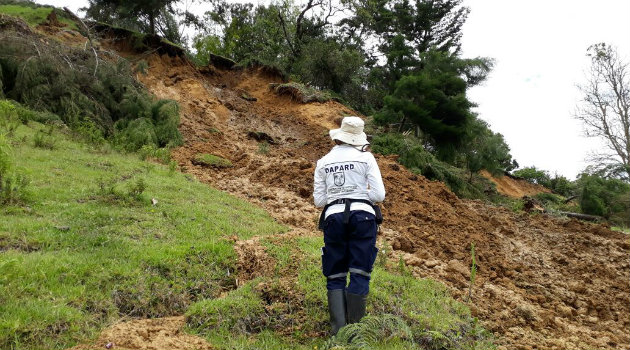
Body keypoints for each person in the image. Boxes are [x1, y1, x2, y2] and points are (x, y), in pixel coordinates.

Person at [313, 116, 386, 335]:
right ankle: (355, 334)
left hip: (333, 217)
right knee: (359, 272)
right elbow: (378, 194)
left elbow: (319, 200)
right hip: (363, 217)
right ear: (358, 138)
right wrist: (358, 194)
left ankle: (338, 332)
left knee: (335, 274)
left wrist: (340, 195)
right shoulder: (366, 158)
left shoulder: (323, 162)